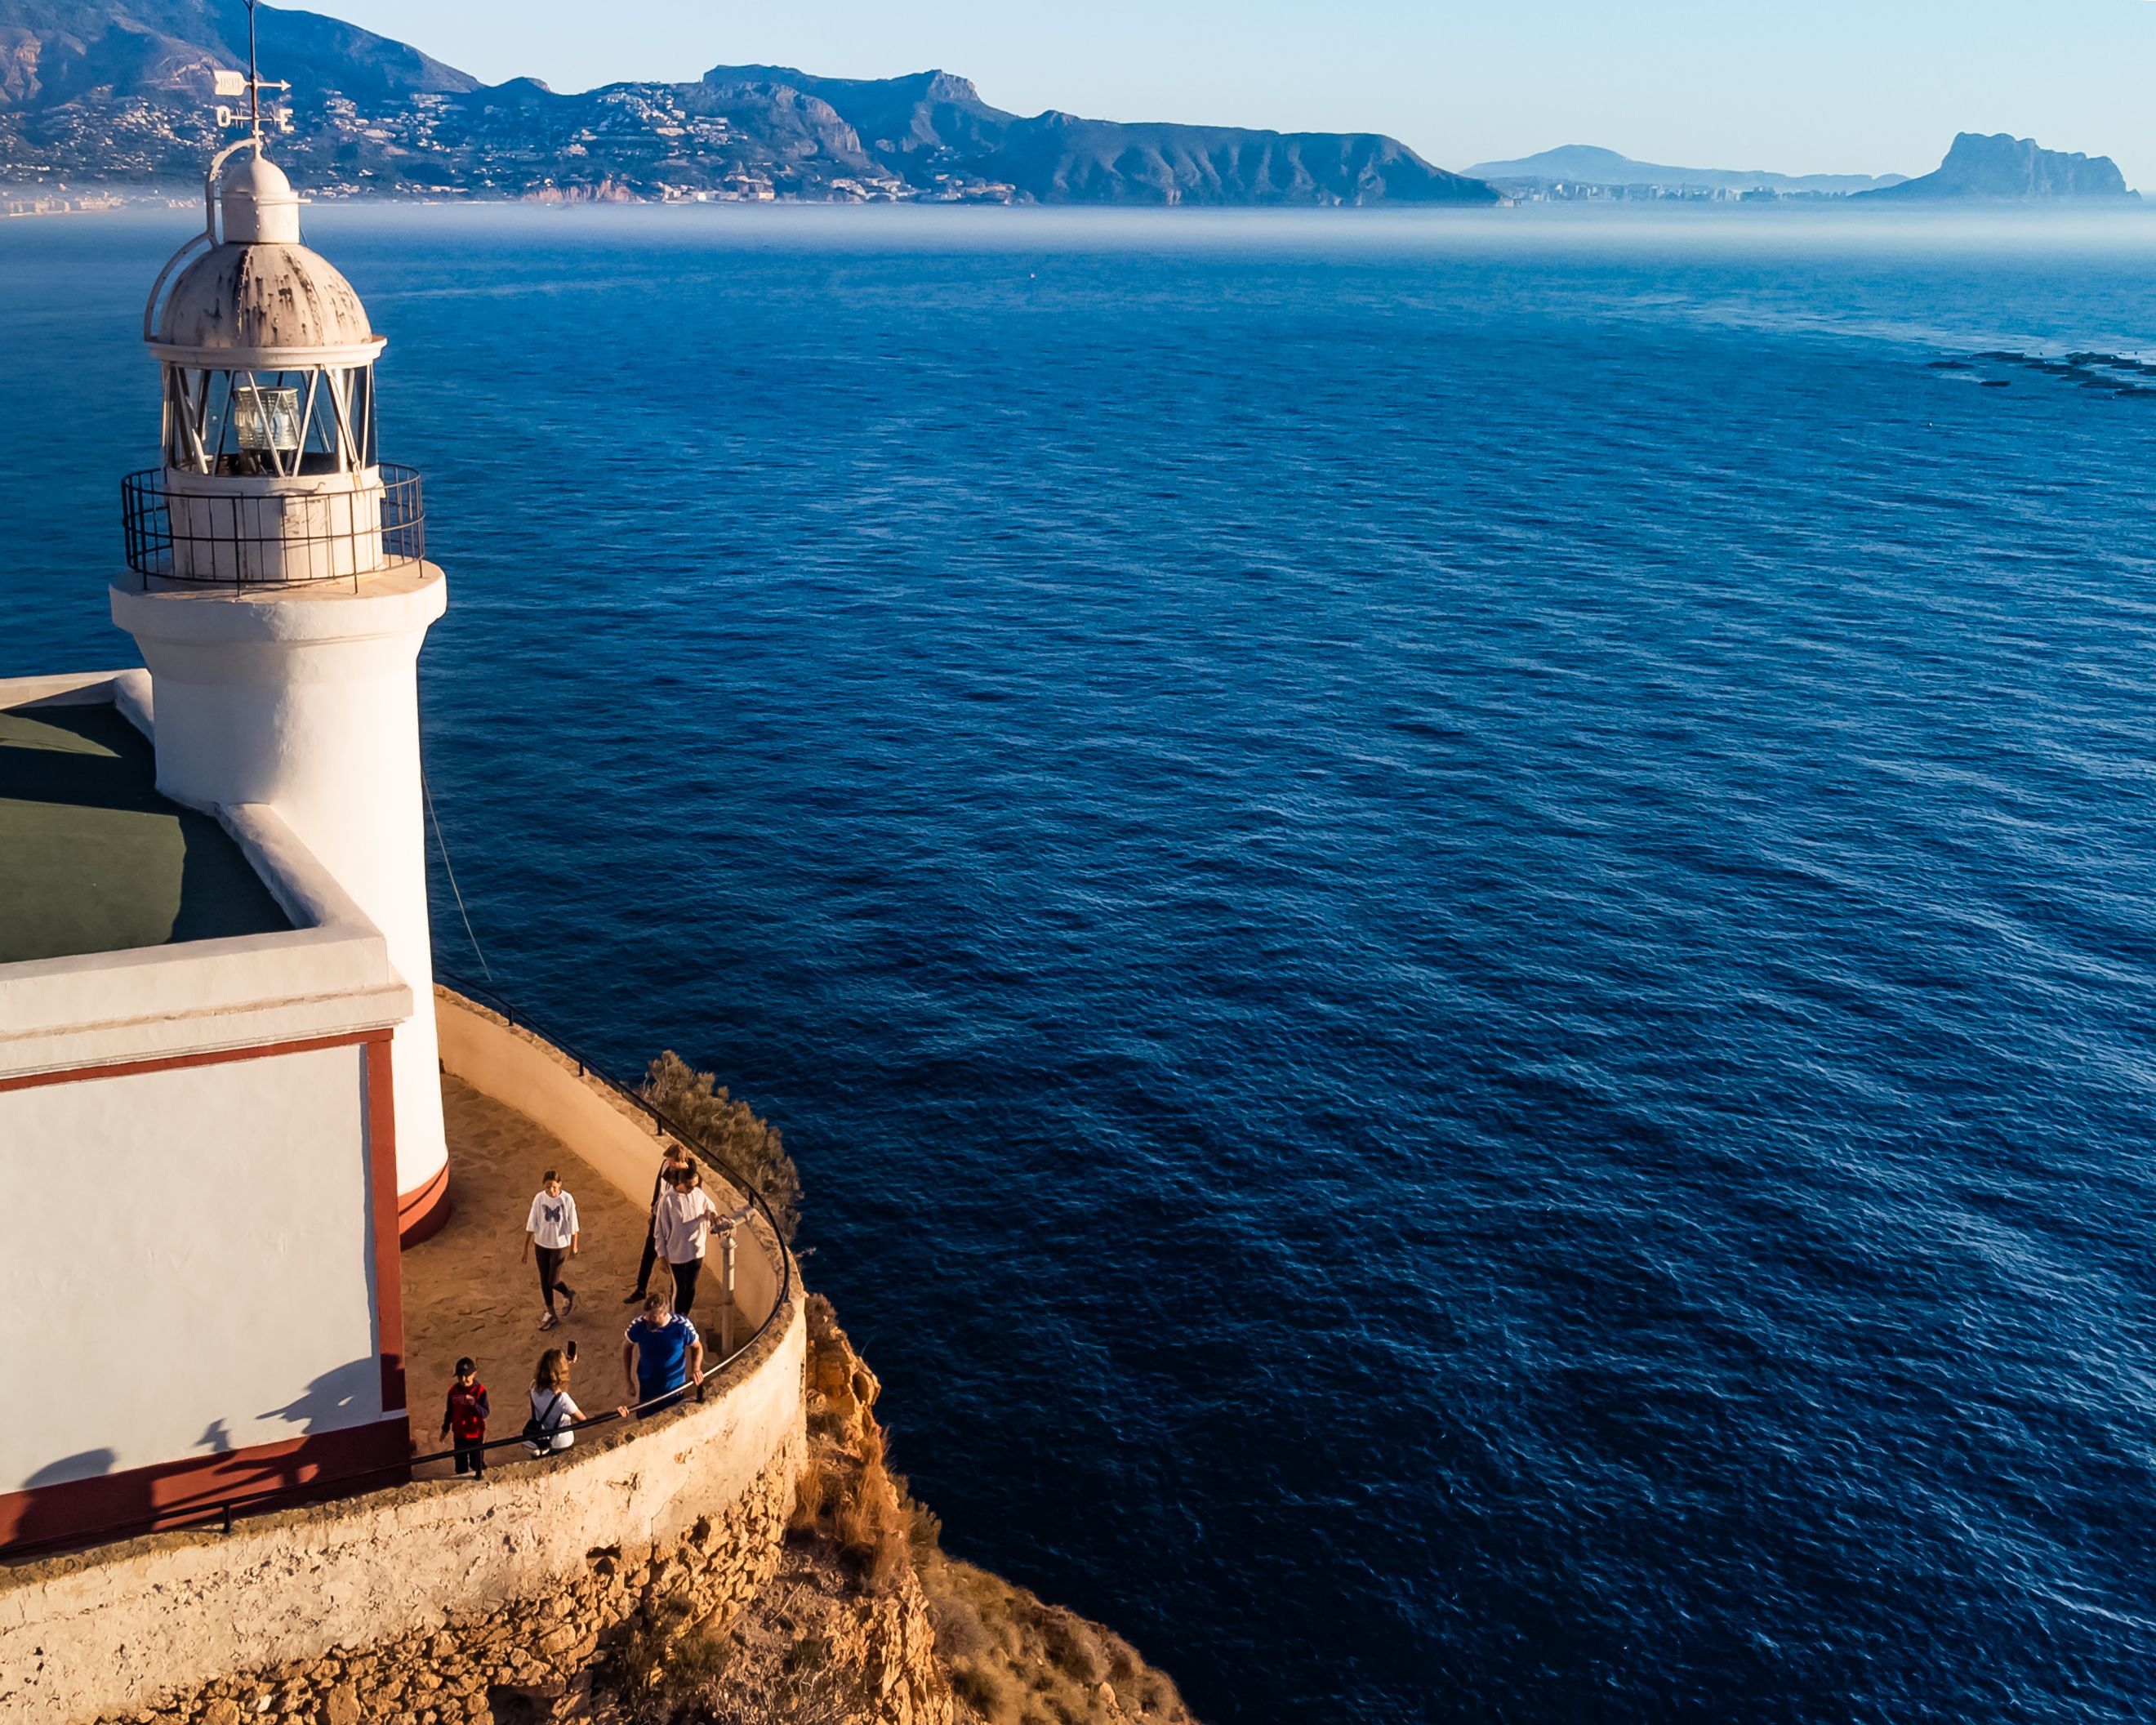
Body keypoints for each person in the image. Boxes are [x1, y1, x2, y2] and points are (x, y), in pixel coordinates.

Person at [625, 1142, 693, 1304]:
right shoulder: (665, 1166)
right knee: (649, 1252)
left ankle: (673, 1293)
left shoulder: (688, 1177)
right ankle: (641, 1289)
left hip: (673, 1221)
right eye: (668, 1161)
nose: (668, 1164)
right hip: (659, 1215)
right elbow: (659, 1189)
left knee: (675, 1258)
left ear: (681, 1161)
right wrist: (653, 1209)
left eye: (672, 1162)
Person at [652, 1164, 722, 1317]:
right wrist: (662, 1256)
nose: (693, 1189)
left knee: (691, 1287)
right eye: (690, 1186)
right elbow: (659, 1231)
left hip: (696, 1250)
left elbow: (710, 1208)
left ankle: (685, 1317)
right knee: (679, 1288)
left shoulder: (698, 1193)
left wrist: (711, 1214)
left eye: (695, 1185)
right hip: (677, 1253)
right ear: (681, 1182)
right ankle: (676, 1319)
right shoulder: (668, 1200)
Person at [620, 1290, 703, 1418]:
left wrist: (696, 1369)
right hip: (648, 1386)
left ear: (665, 1313)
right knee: (646, 1418)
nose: (648, 1320)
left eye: (653, 1316)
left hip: (674, 1387)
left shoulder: (682, 1326)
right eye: (646, 1315)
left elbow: (697, 1347)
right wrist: (628, 1380)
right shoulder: (639, 1324)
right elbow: (627, 1347)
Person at [522, 1169, 581, 1331]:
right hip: (541, 1243)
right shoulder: (539, 1199)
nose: (551, 1191)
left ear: (560, 1184)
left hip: (559, 1244)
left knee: (552, 1280)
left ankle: (567, 1293)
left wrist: (574, 1246)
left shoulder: (567, 1199)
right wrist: (526, 1247)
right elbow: (532, 1222)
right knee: (543, 1278)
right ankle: (550, 1313)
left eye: (554, 1187)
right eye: (548, 1187)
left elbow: (573, 1224)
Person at [523, 1346, 586, 1455]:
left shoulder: (534, 1387)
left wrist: (565, 1362)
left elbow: (549, 1373)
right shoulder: (562, 1398)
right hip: (560, 1444)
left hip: (539, 1440)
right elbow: (584, 1421)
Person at [440, 1357, 490, 1477]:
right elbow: (449, 1411)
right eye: (460, 1376)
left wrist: (474, 1404)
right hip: (459, 1435)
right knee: (460, 1466)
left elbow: (485, 1412)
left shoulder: (480, 1391)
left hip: (475, 1435)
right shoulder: (453, 1391)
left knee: (476, 1464)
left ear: (474, 1374)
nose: (463, 1379)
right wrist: (445, 1429)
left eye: (467, 1376)